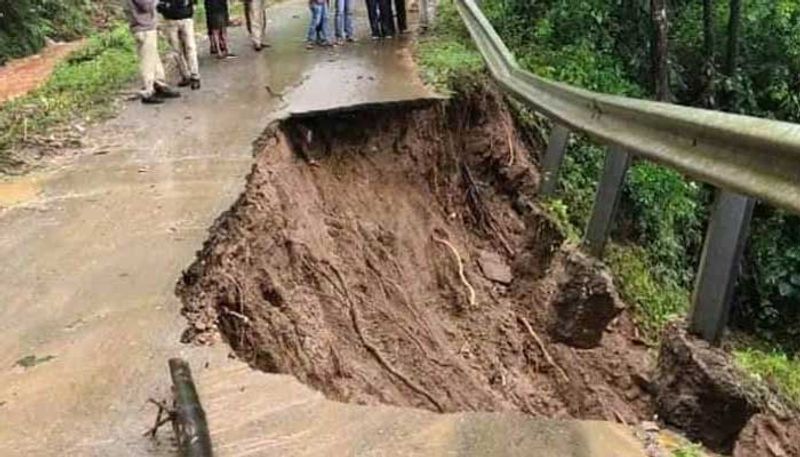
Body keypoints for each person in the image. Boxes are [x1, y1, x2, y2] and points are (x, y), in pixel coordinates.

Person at [124, 0, 181, 104]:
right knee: (147, 62)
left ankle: (159, 84)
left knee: (154, 58)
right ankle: (148, 91)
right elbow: (146, 5)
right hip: (143, 27)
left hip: (147, 26)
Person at [157, 0, 201, 90]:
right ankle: (188, 75)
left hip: (180, 18)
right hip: (175, 18)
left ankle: (192, 75)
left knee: (187, 48)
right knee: (180, 49)